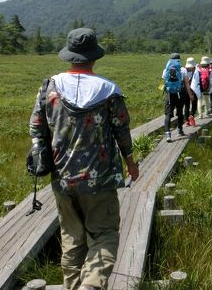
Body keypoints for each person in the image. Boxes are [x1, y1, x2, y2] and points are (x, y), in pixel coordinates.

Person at [29, 28, 139, 290]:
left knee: (71, 238)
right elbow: (122, 131)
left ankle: (72, 285)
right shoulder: (109, 90)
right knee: (104, 234)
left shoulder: (48, 87)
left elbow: (36, 127)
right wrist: (131, 163)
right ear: (94, 56)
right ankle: (90, 285)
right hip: (100, 180)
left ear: (70, 56)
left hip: (62, 179)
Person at [161, 53, 191, 142]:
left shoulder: (165, 70)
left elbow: (162, 83)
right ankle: (180, 130)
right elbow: (186, 84)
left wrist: (163, 91)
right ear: (179, 60)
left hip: (169, 94)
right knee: (180, 111)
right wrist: (190, 94)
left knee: (168, 114)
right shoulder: (183, 70)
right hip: (180, 93)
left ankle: (168, 135)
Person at [183, 57, 198, 126]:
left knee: (186, 105)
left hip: (185, 90)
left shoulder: (184, 70)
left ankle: (187, 121)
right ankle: (191, 115)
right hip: (194, 90)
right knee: (194, 104)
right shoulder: (195, 70)